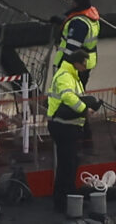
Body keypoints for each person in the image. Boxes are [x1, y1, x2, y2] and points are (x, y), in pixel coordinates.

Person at [47, 49, 101, 213]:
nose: (85, 67)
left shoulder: (73, 76)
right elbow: (68, 98)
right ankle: (62, 202)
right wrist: (85, 109)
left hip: (70, 126)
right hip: (62, 126)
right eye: (84, 63)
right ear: (76, 62)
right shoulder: (65, 76)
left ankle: (70, 196)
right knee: (66, 164)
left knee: (71, 164)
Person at [50, 0, 99, 148]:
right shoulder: (90, 14)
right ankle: (84, 135)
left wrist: (62, 69)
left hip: (75, 67)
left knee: (74, 99)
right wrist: (61, 20)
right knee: (78, 97)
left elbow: (72, 49)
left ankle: (84, 135)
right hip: (84, 64)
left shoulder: (79, 23)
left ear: (77, 1)